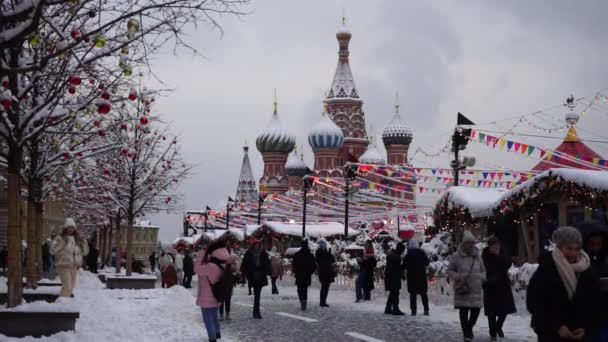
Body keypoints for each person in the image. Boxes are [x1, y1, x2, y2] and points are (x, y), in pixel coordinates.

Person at [527, 226, 599, 342]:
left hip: (579, 333)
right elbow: (534, 302)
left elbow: (593, 302)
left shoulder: (587, 269)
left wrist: (585, 327)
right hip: (552, 334)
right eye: (569, 248)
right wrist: (556, 326)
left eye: (576, 249)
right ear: (560, 248)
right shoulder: (547, 268)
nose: (573, 253)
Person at [448, 230, 486, 342]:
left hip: (476, 289)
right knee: (464, 312)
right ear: (463, 243)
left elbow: (483, 271)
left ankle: (469, 328)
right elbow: (450, 271)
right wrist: (458, 276)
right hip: (463, 288)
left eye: (472, 243)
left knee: (475, 312)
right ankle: (466, 334)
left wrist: (481, 278)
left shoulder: (478, 256)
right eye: (468, 243)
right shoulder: (456, 256)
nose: (470, 245)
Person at [195, 241, 232, 342]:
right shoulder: (222, 265)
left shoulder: (211, 266)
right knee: (214, 318)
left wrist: (201, 254)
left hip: (207, 298)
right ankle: (217, 335)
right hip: (217, 296)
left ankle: (213, 339)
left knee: (208, 320)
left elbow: (197, 269)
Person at [482, 237, 516, 341]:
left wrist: (499, 257)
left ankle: (498, 327)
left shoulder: (503, 254)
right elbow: (485, 268)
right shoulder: (485, 256)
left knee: (504, 310)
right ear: (490, 247)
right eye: (494, 246)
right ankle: (492, 332)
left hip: (503, 285)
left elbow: (508, 263)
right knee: (491, 313)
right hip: (490, 286)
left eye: (498, 246)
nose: (496, 248)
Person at [579, 221, 608, 342]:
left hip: (604, 315)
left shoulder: (604, 260)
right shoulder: (579, 262)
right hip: (587, 318)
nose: (596, 247)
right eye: (592, 244)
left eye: (599, 244)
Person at [50, 218, 89, 297]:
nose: (71, 229)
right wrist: (62, 243)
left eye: (72, 227)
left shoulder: (78, 239)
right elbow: (52, 251)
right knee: (67, 287)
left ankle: (63, 303)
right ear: (65, 228)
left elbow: (85, 253)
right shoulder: (59, 238)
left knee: (71, 287)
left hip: (74, 266)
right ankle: (63, 305)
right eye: (69, 227)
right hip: (63, 265)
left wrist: (84, 243)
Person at [241, 239, 271, 318]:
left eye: (259, 244)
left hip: (260, 275)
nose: (257, 246)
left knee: (257, 294)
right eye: (256, 244)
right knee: (256, 293)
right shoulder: (249, 253)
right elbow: (244, 264)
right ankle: (256, 311)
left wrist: (267, 271)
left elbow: (267, 263)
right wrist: (245, 273)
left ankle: (256, 311)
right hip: (252, 275)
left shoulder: (263, 253)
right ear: (253, 245)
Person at [402, 239, 430, 316]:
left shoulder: (408, 255)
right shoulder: (422, 253)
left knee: (413, 295)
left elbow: (404, 266)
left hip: (412, 277)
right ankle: (426, 309)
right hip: (421, 277)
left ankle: (413, 310)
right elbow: (427, 263)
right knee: (423, 294)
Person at [292, 240, 316, 311]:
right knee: (305, 289)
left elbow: (294, 265)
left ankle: (302, 300)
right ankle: (304, 301)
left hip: (299, 274)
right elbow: (314, 265)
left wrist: (295, 272)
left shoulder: (297, 254)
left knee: (300, 289)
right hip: (307, 275)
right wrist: (310, 272)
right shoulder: (310, 255)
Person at [384, 242, 406, 315]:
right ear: (400, 250)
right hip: (394, 277)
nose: (402, 252)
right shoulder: (396, 257)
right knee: (395, 293)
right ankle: (395, 309)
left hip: (389, 277)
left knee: (393, 293)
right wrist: (403, 276)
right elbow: (397, 269)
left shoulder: (392, 255)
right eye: (402, 251)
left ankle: (388, 308)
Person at [315, 240, 336, 307]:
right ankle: (323, 302)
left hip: (322, 272)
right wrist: (329, 253)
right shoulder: (326, 253)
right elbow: (333, 260)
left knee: (324, 287)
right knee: (325, 287)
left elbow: (317, 260)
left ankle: (322, 301)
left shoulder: (318, 253)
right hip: (327, 272)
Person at [220, 246, 237, 321]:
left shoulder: (231, 259)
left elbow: (235, 269)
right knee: (221, 299)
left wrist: (231, 264)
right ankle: (221, 314)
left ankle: (227, 314)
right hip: (221, 281)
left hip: (229, 281)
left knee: (228, 298)